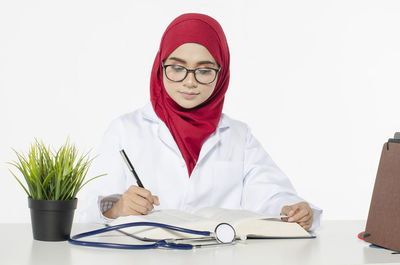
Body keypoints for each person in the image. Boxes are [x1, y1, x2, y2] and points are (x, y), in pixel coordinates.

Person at [79, 13, 322, 231]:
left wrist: (292, 209)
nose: (189, 82)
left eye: (204, 71)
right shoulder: (125, 129)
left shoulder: (238, 135)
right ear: (159, 66)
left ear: (222, 73)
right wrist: (119, 207)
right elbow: (87, 210)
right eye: (177, 67)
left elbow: (270, 193)